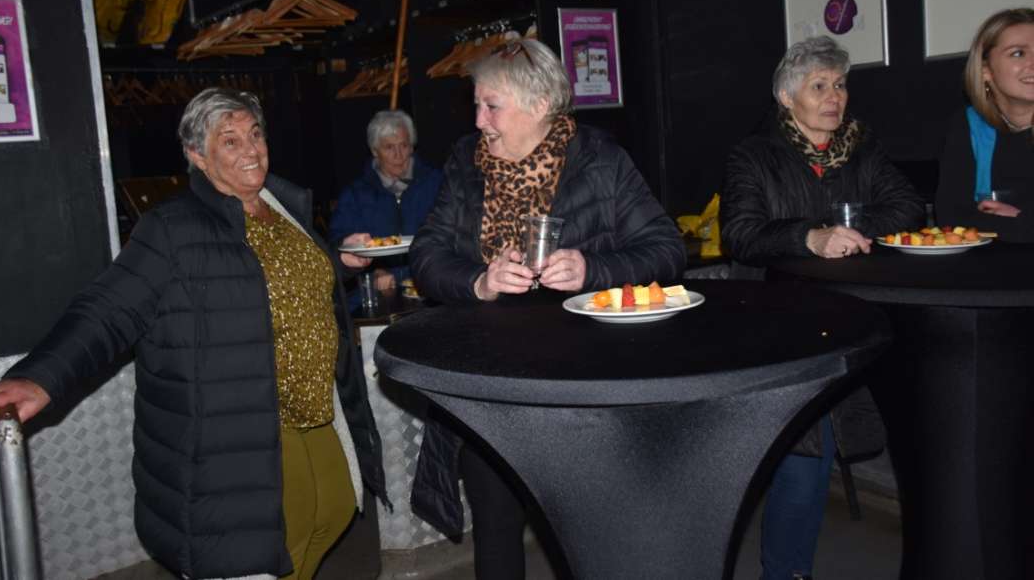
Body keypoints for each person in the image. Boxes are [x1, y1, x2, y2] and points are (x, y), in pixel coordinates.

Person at [0, 88, 387, 580]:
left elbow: (289, 278)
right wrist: (41, 377)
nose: (251, 150)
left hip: (318, 410)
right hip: (246, 425)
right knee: (280, 539)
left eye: (255, 134)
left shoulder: (282, 207)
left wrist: (339, 262)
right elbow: (108, 309)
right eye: (230, 140)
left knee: (336, 510)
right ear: (198, 155)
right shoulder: (173, 228)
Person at [407, 38, 686, 578]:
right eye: (476, 105)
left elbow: (667, 249)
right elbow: (426, 254)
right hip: (491, 381)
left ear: (539, 105)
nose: (479, 120)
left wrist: (591, 270)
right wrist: (479, 282)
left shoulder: (601, 161)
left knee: (587, 534)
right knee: (496, 530)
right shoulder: (466, 163)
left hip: (582, 384)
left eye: (492, 106)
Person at [720, 36, 923, 580]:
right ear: (787, 98)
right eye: (819, 86)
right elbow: (739, 234)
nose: (834, 97)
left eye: (840, 84)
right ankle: (786, 573)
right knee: (805, 455)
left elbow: (908, 206)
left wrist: (850, 230)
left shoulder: (861, 146)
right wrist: (809, 237)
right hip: (781, 322)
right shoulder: (754, 155)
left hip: (857, 316)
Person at [935, 7, 1034, 241]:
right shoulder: (968, 125)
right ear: (985, 70)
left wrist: (1019, 220)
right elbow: (952, 219)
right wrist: (1025, 223)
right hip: (993, 261)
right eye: (1018, 53)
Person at [327, 109, 442, 292]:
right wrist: (372, 273)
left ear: (412, 147)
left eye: (404, 145)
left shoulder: (436, 184)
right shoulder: (356, 195)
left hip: (431, 287)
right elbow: (338, 247)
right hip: (376, 294)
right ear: (374, 151)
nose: (398, 155)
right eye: (389, 147)